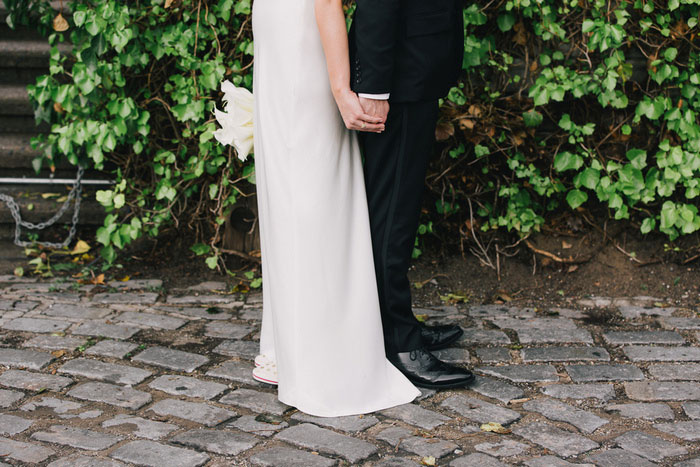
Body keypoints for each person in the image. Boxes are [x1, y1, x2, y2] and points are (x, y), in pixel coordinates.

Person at [250, 0, 473, 417]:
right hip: (310, 41)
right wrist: (353, 87)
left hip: (289, 34)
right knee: (320, 194)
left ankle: (318, 337)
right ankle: (381, 338)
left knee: (315, 192)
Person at [350, 0, 475, 389]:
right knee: (392, 215)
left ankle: (398, 322)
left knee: (399, 211)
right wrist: (373, 88)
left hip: (417, 71)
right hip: (397, 80)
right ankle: (396, 340)